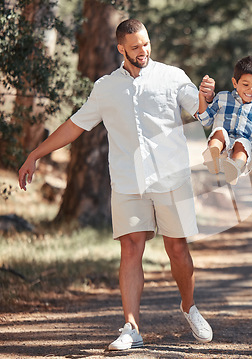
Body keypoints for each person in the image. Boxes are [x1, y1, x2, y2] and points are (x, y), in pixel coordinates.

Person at [18, 19, 215, 351]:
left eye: (146, 44)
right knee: (130, 249)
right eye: (135, 47)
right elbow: (74, 125)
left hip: (171, 177)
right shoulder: (106, 87)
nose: (143, 51)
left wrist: (204, 97)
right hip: (128, 181)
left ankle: (188, 307)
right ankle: (132, 327)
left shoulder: (171, 76)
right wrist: (36, 153)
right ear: (121, 48)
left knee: (177, 250)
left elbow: (196, 108)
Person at [197, 56, 252, 185]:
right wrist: (201, 96)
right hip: (223, 148)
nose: (251, 90)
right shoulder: (223, 97)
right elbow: (206, 120)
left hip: (245, 152)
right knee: (219, 132)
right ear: (235, 83)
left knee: (242, 143)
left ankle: (234, 169)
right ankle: (212, 156)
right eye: (245, 85)